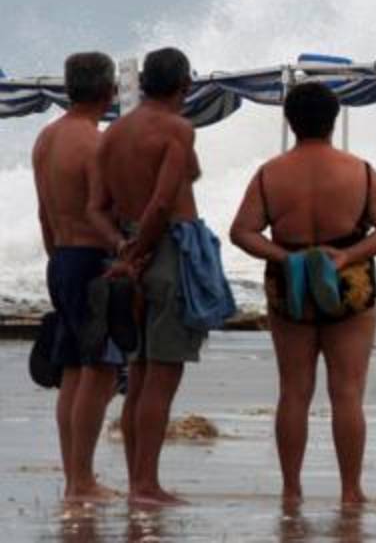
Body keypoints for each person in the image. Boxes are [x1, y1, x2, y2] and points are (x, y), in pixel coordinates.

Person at [230, 82, 376, 506]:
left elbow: (242, 231)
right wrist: (348, 256)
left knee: (293, 390)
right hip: (348, 280)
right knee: (347, 392)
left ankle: (291, 489)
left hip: (289, 283)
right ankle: (350, 491)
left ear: (289, 120)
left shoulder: (270, 173)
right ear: (335, 120)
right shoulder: (359, 170)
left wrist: (284, 257)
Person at [90, 47, 206, 506]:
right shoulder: (177, 128)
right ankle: (145, 484)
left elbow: (97, 209)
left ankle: (140, 479)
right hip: (166, 249)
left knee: (137, 372)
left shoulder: (113, 134)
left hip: (127, 248)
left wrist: (122, 249)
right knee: (162, 373)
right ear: (184, 86)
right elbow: (165, 200)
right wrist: (141, 253)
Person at [31, 51, 123, 503]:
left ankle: (75, 478)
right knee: (99, 369)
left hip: (62, 256)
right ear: (109, 92)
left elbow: (44, 211)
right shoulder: (95, 142)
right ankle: (82, 481)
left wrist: (56, 257)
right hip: (91, 258)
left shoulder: (46, 138)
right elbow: (107, 208)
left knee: (71, 370)